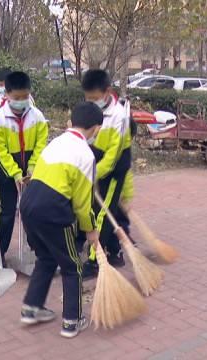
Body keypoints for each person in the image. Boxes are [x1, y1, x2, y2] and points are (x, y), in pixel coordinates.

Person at [19, 102, 103, 339]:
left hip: (28, 205)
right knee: (72, 265)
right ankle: (72, 321)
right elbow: (82, 203)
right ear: (96, 129)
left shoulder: (56, 142)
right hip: (53, 211)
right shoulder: (85, 155)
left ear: (71, 122)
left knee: (45, 257)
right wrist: (91, 230)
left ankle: (31, 308)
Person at [79, 69, 133, 279]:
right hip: (93, 167)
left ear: (107, 92)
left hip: (111, 173)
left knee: (101, 215)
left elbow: (112, 157)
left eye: (95, 98)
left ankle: (95, 261)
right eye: (88, 98)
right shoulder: (86, 110)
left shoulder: (119, 116)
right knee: (95, 210)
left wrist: (93, 175)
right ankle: (115, 253)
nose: (91, 102)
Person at [0, 71, 48, 265]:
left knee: (33, 210)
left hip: (31, 170)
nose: (21, 101)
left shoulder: (37, 116)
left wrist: (32, 167)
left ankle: (36, 248)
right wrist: (15, 174)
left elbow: (41, 143)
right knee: (7, 213)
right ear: (6, 95)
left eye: (25, 97)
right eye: (16, 98)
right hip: (7, 172)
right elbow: (0, 152)